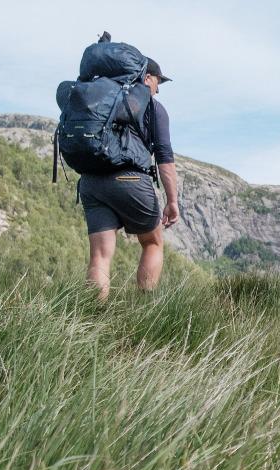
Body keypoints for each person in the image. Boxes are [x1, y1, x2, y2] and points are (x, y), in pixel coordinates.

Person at [81, 58, 180, 300]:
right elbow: (164, 157)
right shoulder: (153, 108)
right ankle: (144, 310)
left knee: (100, 256)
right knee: (152, 242)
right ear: (146, 78)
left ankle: (92, 318)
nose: (157, 89)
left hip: (91, 181)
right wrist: (172, 200)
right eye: (158, 82)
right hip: (130, 180)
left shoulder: (98, 102)